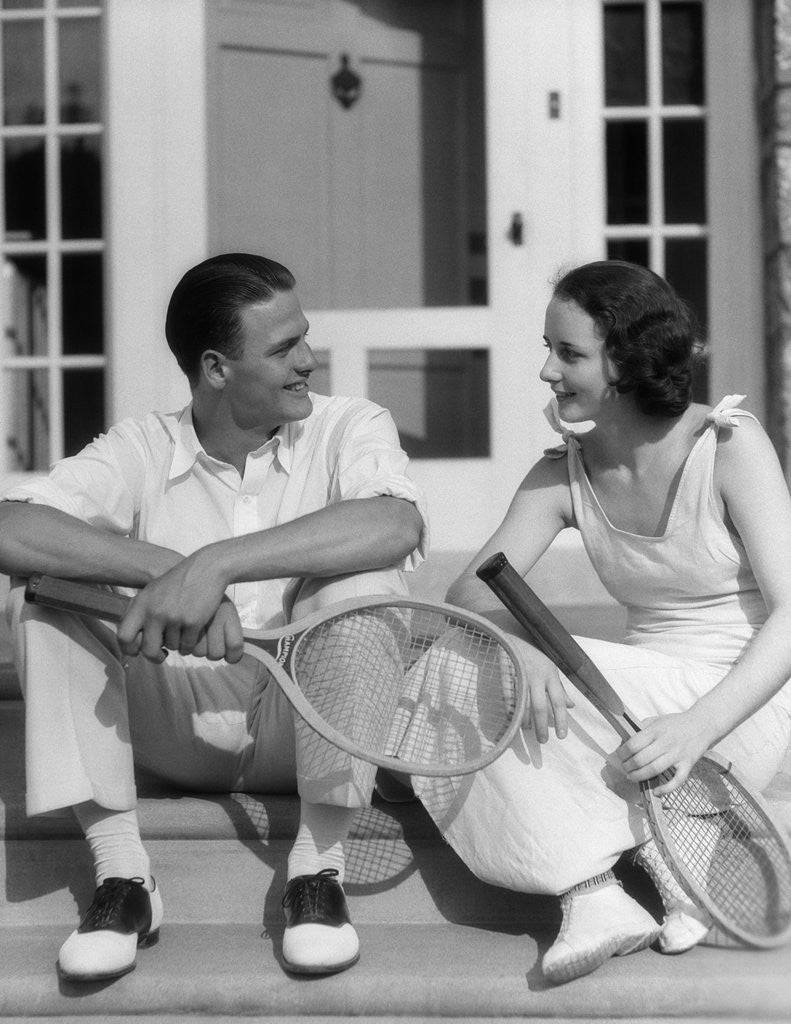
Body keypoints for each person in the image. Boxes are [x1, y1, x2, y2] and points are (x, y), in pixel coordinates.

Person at [0, 252, 427, 982]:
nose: (309, 359)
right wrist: (161, 571)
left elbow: (394, 525)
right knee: (40, 595)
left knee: (363, 585)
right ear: (215, 368)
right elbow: (11, 528)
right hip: (175, 721)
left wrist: (215, 565)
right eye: (283, 347)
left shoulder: (349, 424)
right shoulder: (141, 446)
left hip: (304, 722)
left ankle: (316, 873)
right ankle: (122, 879)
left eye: (304, 337)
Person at [413, 259, 791, 985]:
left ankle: (657, 842)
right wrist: (522, 650)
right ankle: (591, 894)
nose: (546, 371)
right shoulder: (562, 472)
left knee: (458, 665)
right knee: (448, 663)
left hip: (736, 713)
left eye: (568, 353)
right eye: (548, 348)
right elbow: (468, 589)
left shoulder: (726, 444)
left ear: (626, 361)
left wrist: (697, 725)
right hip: (633, 716)